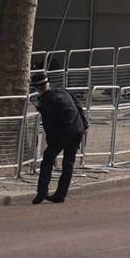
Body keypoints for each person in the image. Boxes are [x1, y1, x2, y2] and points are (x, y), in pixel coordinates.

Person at [30, 72, 86, 204]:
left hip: (64, 133)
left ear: (37, 89)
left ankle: (42, 192)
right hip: (78, 130)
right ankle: (61, 194)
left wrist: (51, 144)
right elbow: (78, 107)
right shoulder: (63, 90)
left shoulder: (47, 101)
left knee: (48, 159)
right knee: (68, 164)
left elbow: (49, 126)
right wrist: (83, 126)